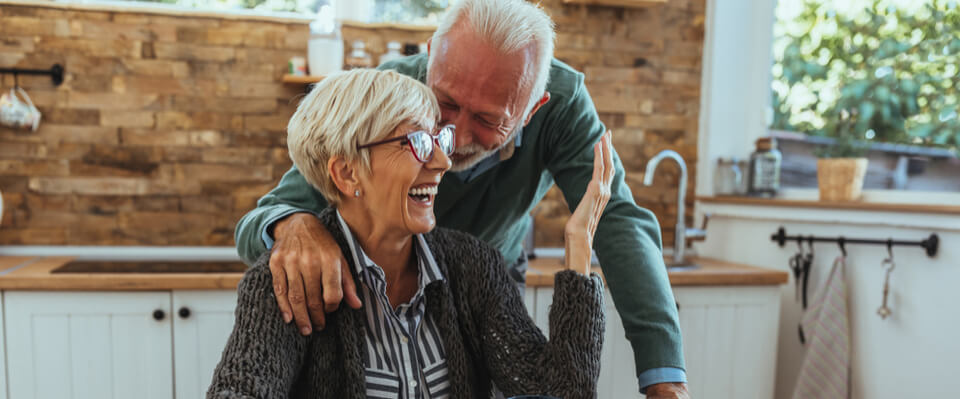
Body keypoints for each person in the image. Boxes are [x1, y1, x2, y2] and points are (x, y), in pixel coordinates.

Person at [234, 0, 688, 397]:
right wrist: (293, 225)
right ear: (430, 58)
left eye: (489, 119)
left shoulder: (564, 106)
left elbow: (618, 222)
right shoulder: (385, 94)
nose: (453, 144)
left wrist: (663, 377)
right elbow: (272, 213)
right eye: (445, 103)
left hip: (488, 287)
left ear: (532, 109)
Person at [209, 69, 608, 398]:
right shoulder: (286, 282)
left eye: (439, 139)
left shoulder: (474, 266)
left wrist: (579, 244)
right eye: (416, 142)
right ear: (347, 173)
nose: (441, 161)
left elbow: (560, 391)